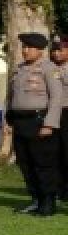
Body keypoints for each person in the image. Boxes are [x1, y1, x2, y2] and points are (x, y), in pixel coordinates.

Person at [5, 32, 63, 217]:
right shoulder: (19, 69)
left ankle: (48, 202)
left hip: (39, 122)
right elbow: (12, 96)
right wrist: (9, 118)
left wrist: (50, 124)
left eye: (29, 47)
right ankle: (35, 199)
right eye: (24, 47)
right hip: (21, 122)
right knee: (25, 163)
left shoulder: (49, 68)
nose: (25, 50)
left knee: (43, 164)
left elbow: (56, 98)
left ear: (39, 50)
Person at [53, 35, 68, 203]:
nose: (56, 53)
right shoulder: (52, 69)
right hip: (55, 113)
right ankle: (59, 188)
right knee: (55, 153)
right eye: (54, 50)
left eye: (60, 50)